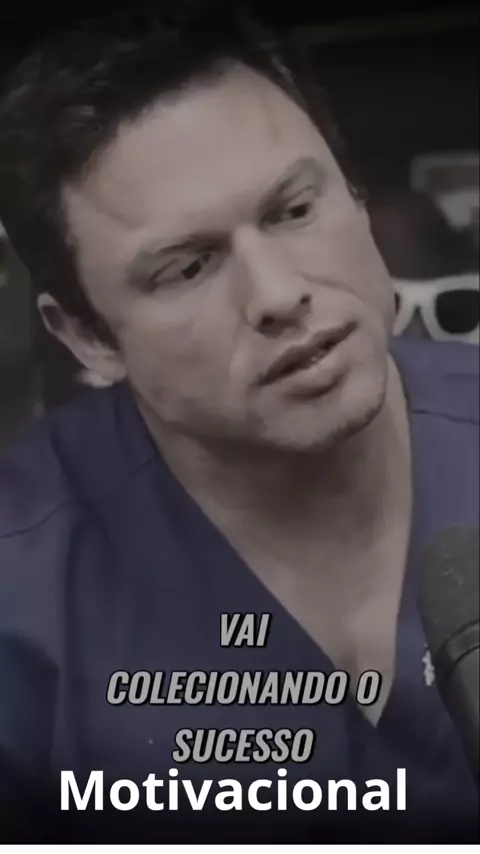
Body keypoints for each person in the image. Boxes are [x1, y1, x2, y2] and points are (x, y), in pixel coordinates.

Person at [0, 5, 478, 845]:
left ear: (356, 197)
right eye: (188, 267)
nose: (279, 294)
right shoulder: (23, 590)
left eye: (294, 210)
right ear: (86, 336)